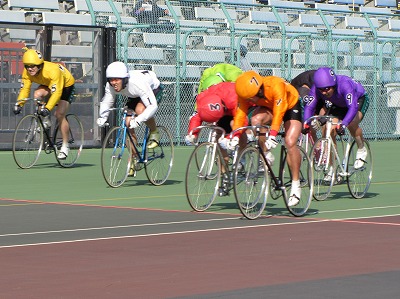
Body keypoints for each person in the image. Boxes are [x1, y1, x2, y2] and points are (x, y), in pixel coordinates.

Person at [234, 70, 303, 207]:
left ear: (259, 90)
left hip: (289, 104)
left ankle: (296, 184)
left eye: (250, 98)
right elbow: (240, 114)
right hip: (269, 106)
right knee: (255, 120)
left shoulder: (275, 85)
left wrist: (272, 135)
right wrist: (235, 135)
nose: (248, 101)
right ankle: (266, 155)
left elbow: (279, 112)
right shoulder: (246, 93)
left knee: (289, 142)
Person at [97, 61, 163, 176]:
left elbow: (152, 106)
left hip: (152, 89)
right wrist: (103, 117)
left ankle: (154, 132)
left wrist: (138, 120)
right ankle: (133, 158)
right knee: (127, 123)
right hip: (134, 94)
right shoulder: (111, 85)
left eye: (117, 79)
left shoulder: (137, 83)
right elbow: (107, 101)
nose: (114, 83)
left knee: (140, 110)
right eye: (111, 80)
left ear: (124, 79)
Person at [303, 67, 369, 173]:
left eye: (327, 89)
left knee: (351, 123)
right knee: (328, 129)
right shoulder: (316, 88)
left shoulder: (345, 84)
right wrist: (306, 122)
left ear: (333, 84)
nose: (324, 92)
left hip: (357, 101)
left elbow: (352, 108)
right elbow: (309, 107)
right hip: (338, 104)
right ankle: (332, 167)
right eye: (321, 90)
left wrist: (343, 124)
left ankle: (361, 148)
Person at [13, 48, 76, 160]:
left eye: (33, 66)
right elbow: (25, 89)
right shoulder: (27, 72)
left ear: (40, 65)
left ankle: (65, 146)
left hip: (66, 85)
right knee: (37, 94)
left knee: (59, 114)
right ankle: (46, 120)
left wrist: (47, 108)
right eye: (27, 66)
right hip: (48, 83)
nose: (30, 69)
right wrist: (19, 104)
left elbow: (56, 92)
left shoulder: (52, 71)